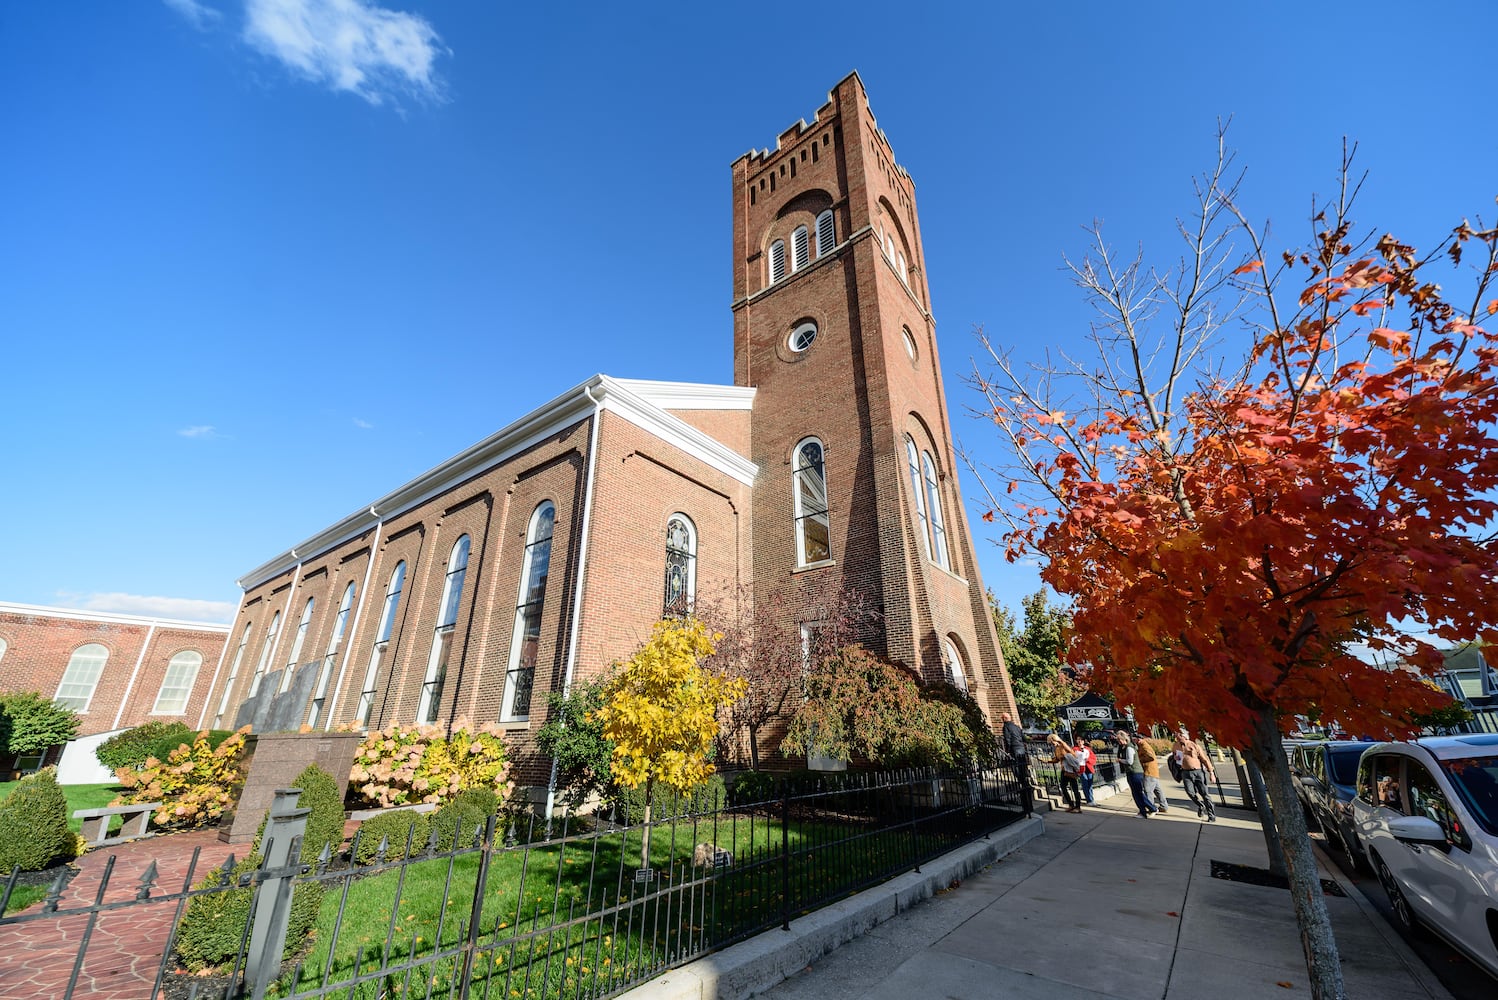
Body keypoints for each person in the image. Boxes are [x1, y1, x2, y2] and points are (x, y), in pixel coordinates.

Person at [1175, 730, 1217, 822]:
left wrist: (1211, 773)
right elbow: (1175, 757)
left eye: (1179, 735)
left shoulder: (1194, 745)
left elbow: (1204, 759)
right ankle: (1200, 805)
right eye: (1176, 735)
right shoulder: (1176, 746)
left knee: (1205, 794)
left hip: (1198, 772)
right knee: (1190, 792)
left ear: (1184, 736)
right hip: (1185, 773)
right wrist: (1176, 758)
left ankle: (1211, 815)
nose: (1177, 736)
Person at [1116, 730, 1157, 817]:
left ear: (1124, 739)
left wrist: (1120, 760)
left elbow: (1130, 761)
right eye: (1118, 740)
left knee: (1138, 793)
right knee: (1136, 793)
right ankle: (1145, 810)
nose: (1119, 741)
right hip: (1132, 772)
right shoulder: (1125, 747)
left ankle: (1149, 809)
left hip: (1135, 772)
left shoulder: (1129, 748)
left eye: (1120, 739)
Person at [1000, 711, 1033, 815]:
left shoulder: (1006, 727)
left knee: (1018, 774)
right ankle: (1028, 802)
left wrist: (1008, 752)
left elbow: (1007, 739)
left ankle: (1026, 803)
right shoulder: (1017, 727)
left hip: (1015, 750)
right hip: (1021, 750)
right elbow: (1024, 738)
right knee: (1023, 774)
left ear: (1004, 719)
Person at [1137, 733, 1171, 814]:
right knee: (1158, 790)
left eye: (1136, 739)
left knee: (1148, 790)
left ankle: (1151, 807)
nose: (1135, 740)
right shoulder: (1143, 746)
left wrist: (1140, 760)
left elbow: (1150, 757)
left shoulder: (1144, 746)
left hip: (1149, 771)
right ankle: (1164, 806)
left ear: (1140, 739)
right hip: (1153, 771)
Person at [1050, 734, 1084, 812]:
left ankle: (1078, 807)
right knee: (1063, 787)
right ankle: (1071, 805)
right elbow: (1057, 759)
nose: (1052, 744)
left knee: (1074, 788)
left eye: (1052, 742)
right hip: (1064, 769)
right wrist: (1047, 761)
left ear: (1055, 740)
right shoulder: (1056, 749)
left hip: (1070, 769)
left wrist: (1064, 756)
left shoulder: (1063, 745)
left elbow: (1072, 753)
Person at [1076, 738, 1097, 804]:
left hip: (1088, 768)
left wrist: (1088, 760)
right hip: (1081, 768)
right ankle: (1089, 800)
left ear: (1083, 741)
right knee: (1085, 783)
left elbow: (1093, 758)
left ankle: (1091, 799)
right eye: (1078, 741)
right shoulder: (1075, 749)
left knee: (1089, 784)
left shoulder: (1087, 749)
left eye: (1081, 741)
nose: (1080, 742)